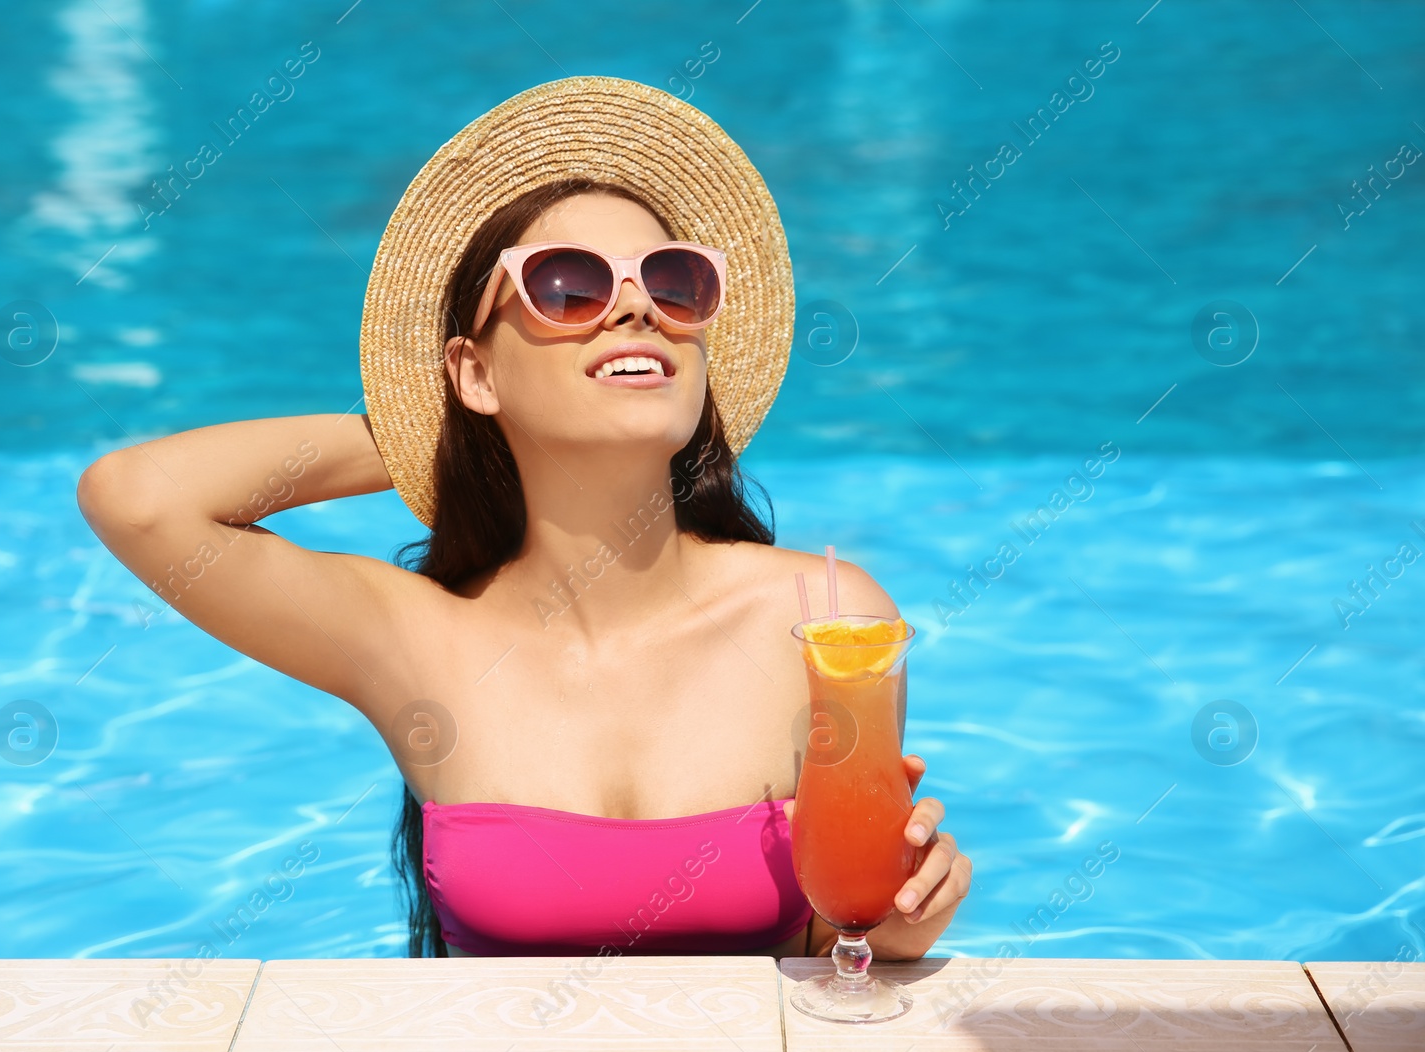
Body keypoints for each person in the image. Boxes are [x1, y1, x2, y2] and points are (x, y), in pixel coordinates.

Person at [76, 76, 970, 962]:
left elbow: (827, 946)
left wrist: (894, 926)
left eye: (673, 282)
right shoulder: (413, 637)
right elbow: (138, 497)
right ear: (475, 371)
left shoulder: (825, 616)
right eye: (570, 285)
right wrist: (433, 429)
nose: (635, 309)